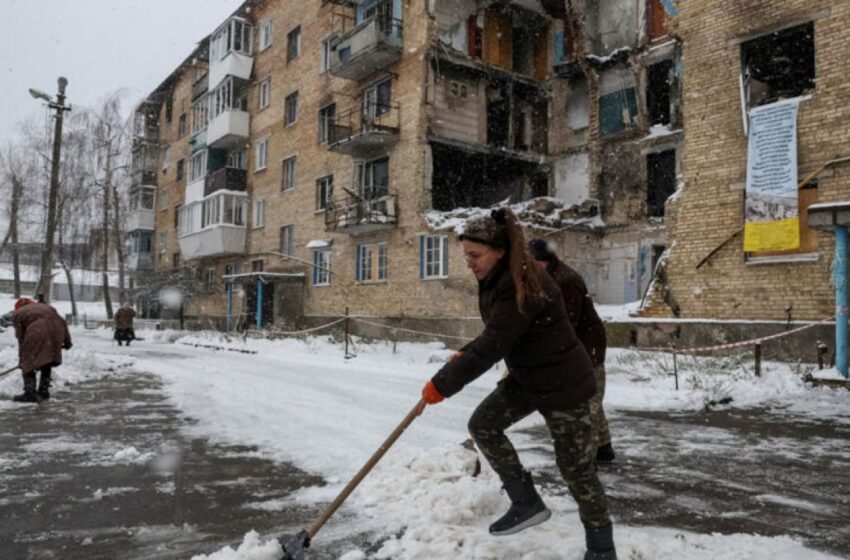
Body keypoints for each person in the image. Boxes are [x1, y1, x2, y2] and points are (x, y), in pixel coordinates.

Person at [420, 208, 616, 560]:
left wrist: (443, 383)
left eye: (474, 255)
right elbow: (498, 334)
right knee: (483, 425)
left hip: (566, 385)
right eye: (465, 254)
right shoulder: (501, 276)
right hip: (530, 377)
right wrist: (462, 355)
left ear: (499, 251)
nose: (469, 262)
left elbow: (494, 343)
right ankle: (526, 501)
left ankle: (602, 549)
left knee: (577, 472)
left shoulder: (521, 284)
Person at [528, 238, 615, 463]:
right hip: (574, 347)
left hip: (587, 348)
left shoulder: (566, 281)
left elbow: (566, 324)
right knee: (592, 400)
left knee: (588, 404)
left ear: (544, 261)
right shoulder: (545, 277)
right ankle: (604, 447)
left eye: (533, 264)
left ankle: (587, 459)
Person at [12, 298, 72, 402]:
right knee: (47, 360)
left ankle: (29, 393)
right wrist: (67, 341)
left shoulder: (19, 313)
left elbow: (20, 337)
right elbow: (62, 322)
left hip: (38, 332)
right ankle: (44, 391)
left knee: (28, 361)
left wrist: (22, 359)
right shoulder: (47, 308)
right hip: (57, 332)